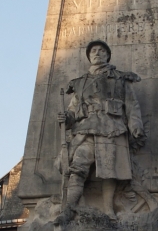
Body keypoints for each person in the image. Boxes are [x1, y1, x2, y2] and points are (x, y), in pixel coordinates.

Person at [60, 40, 145, 217]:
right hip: (86, 129)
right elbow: (73, 109)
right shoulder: (80, 83)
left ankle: (108, 209)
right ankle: (69, 209)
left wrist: (135, 125)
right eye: (93, 51)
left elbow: (131, 104)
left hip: (111, 127)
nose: (96, 53)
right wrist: (66, 118)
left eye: (101, 51)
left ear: (107, 55)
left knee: (109, 171)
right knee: (77, 166)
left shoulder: (120, 78)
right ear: (89, 56)